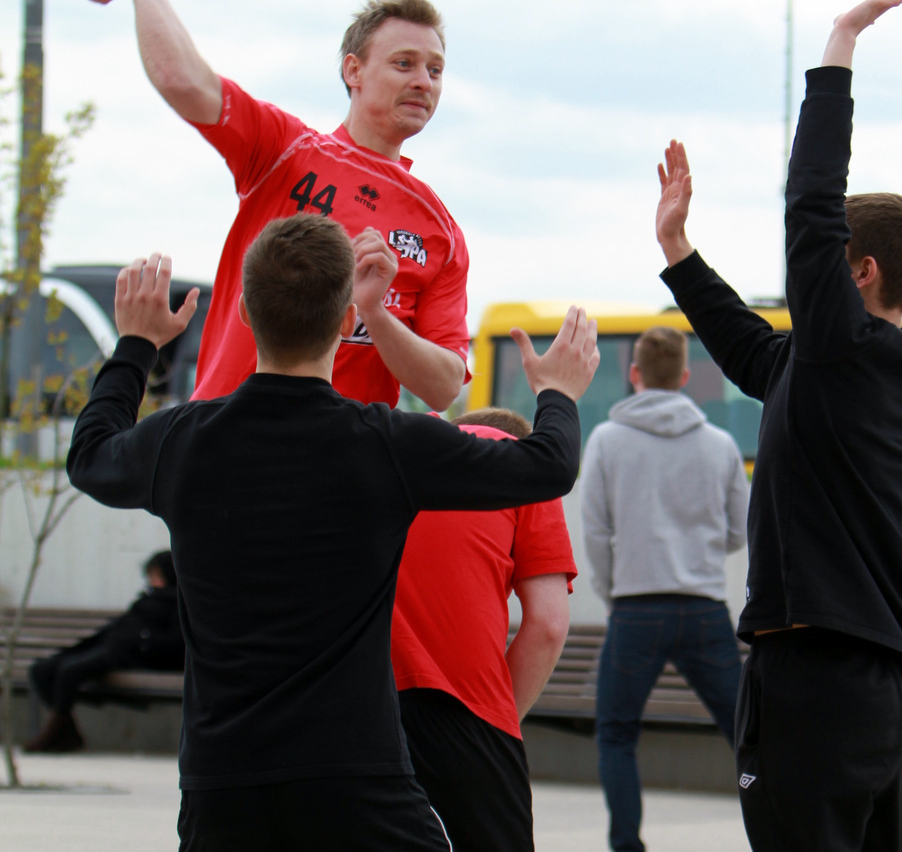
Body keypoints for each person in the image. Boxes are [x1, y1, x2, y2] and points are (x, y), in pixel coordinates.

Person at [64, 213, 599, 852]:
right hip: (356, 782)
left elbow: (89, 454)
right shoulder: (384, 444)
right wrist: (557, 392)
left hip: (223, 783)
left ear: (243, 312)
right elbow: (549, 466)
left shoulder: (182, 441)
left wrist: (136, 345)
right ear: (348, 322)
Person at [654, 0, 902, 852]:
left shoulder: (840, 352)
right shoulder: (878, 372)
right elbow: (752, 350)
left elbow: (811, 206)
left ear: (859, 273)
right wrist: (678, 251)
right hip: (896, 682)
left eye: (825, 266)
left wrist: (839, 47)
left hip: (819, 677)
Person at [68, 0, 467, 411]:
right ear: (353, 70)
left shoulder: (439, 229)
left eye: (435, 70)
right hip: (228, 439)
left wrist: (374, 314)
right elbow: (182, 80)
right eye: (404, 63)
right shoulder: (286, 150)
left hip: (341, 454)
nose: (423, 81)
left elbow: (444, 387)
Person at [579, 325, 749, 852]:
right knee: (748, 735)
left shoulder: (606, 440)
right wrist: (700, 551)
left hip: (635, 608)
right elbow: (741, 530)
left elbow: (595, 533)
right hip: (705, 609)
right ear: (685, 376)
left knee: (616, 734)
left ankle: (627, 845)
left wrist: (614, 593)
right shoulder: (720, 445)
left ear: (634, 373)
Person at [390, 407, 577, 852]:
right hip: (465, 710)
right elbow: (548, 624)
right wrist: (497, 722)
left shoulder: (397, 450)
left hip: (353, 704)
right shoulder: (523, 466)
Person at [24, 550, 185, 754]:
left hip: (133, 657)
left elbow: (176, 643)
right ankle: (67, 733)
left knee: (69, 671)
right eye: (151, 576)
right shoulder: (147, 599)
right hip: (111, 649)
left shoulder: (179, 603)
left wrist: (143, 640)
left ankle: (54, 734)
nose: (153, 581)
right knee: (41, 669)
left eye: (157, 575)